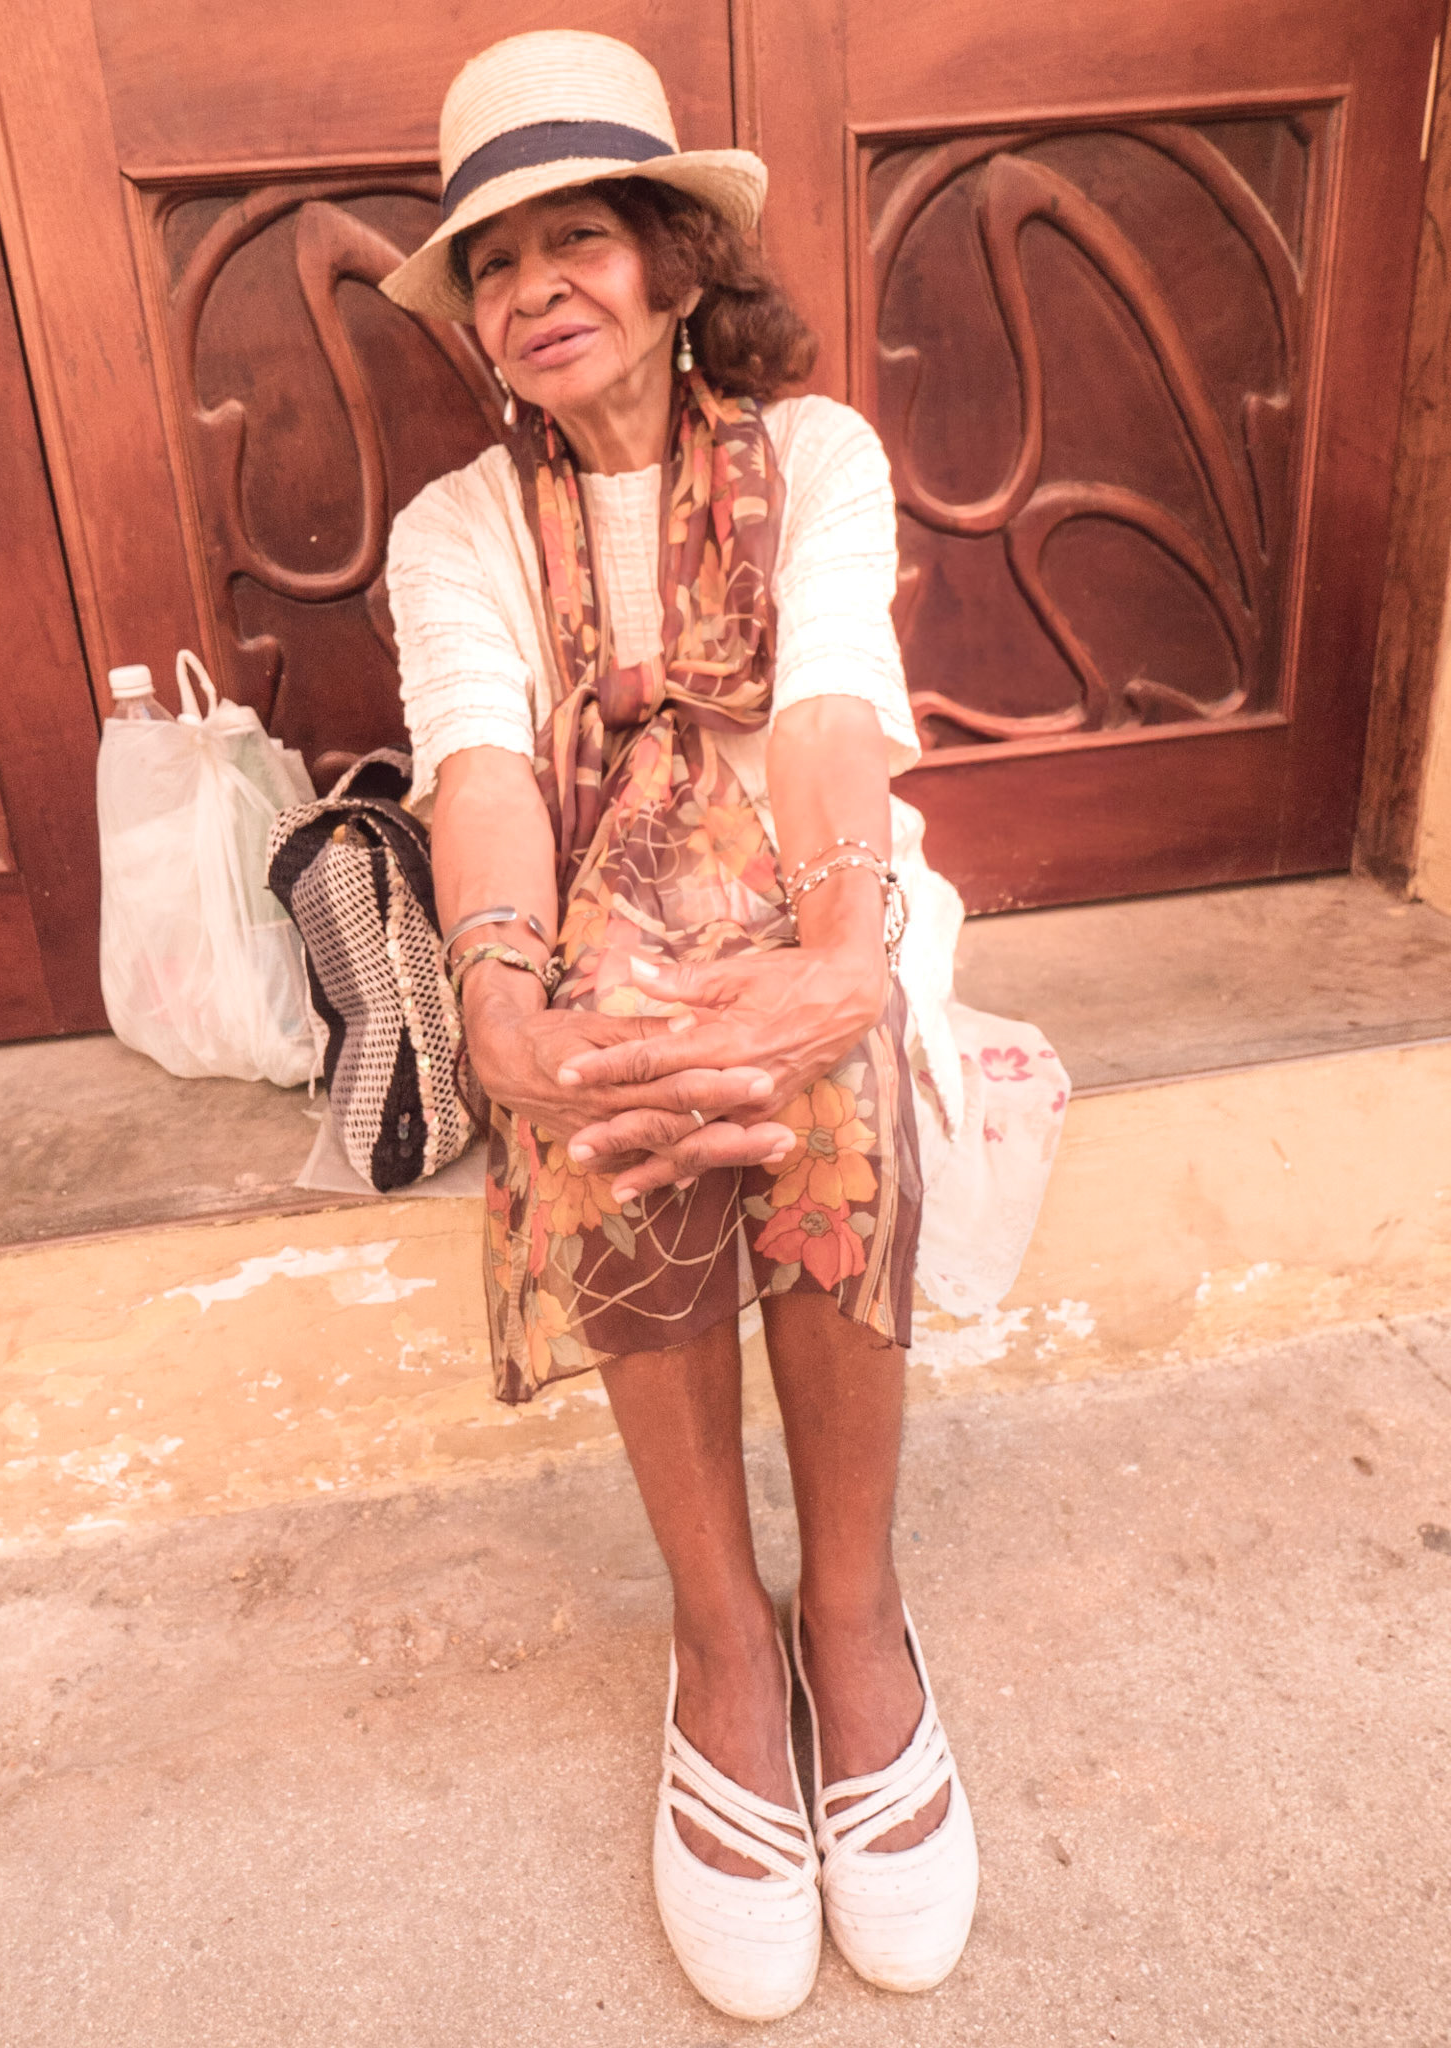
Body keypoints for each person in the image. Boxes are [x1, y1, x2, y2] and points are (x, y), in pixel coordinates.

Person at [380, 30, 1067, 2022]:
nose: (532, 296)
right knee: (606, 1087)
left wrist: (843, 952)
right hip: (592, 907)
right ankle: (714, 1636)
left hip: (809, 877)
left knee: (822, 1073)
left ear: (678, 262)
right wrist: (503, 1002)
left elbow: (834, 709)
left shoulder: (820, 456)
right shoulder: (457, 530)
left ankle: (852, 1618)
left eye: (575, 240)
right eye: (493, 267)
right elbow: (488, 775)